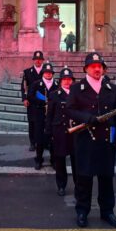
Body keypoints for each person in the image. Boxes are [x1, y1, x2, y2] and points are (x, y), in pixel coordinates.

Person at [66, 52, 116, 229]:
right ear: (86, 69)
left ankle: (107, 211)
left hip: (106, 141)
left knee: (106, 179)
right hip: (86, 140)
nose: (97, 69)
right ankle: (82, 211)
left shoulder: (111, 88)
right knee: (84, 179)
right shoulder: (77, 88)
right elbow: (69, 110)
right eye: (93, 66)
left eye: (100, 66)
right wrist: (86, 118)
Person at [45, 67, 76, 196]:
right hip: (60, 131)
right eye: (64, 80)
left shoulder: (77, 94)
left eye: (69, 79)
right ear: (60, 81)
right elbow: (49, 115)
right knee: (60, 161)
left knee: (77, 161)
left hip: (75, 131)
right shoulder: (54, 95)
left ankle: (78, 185)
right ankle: (61, 185)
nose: (67, 82)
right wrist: (48, 132)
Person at [28, 62, 58, 170]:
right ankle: (38, 160)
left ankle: (53, 160)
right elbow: (30, 96)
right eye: (46, 72)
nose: (48, 74)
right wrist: (42, 101)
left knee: (53, 140)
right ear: (43, 73)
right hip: (40, 115)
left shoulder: (56, 84)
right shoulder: (36, 84)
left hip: (53, 116)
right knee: (39, 140)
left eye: (50, 73)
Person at [21, 51, 45, 151]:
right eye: (36, 59)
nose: (38, 61)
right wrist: (24, 98)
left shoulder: (46, 71)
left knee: (44, 123)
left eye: (40, 59)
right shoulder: (27, 72)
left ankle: (43, 142)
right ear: (33, 60)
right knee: (32, 123)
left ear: (42, 60)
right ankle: (32, 143)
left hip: (43, 102)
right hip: (32, 102)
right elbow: (23, 87)